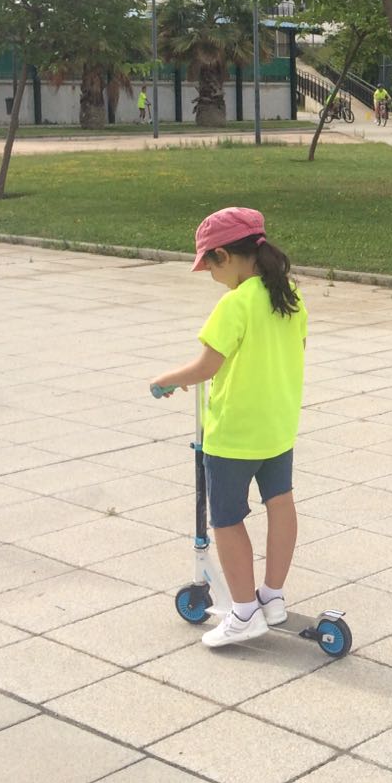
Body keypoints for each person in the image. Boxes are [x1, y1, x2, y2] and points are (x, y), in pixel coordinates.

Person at [149, 208, 308, 648]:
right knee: (280, 504)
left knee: (226, 518)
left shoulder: (235, 304)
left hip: (234, 433)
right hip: (278, 426)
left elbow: (206, 366)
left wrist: (166, 380)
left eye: (210, 266)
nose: (211, 277)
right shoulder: (289, 295)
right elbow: (295, 349)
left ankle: (243, 613)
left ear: (224, 255)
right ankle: (272, 597)